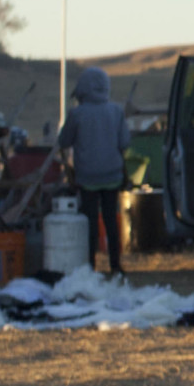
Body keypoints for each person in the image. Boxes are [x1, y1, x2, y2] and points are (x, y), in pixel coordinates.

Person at [58, 65, 131, 278]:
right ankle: (115, 266)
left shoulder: (77, 113)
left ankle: (90, 266)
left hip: (86, 177)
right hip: (112, 176)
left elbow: (63, 141)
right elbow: (124, 142)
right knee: (110, 220)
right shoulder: (116, 111)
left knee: (90, 222)